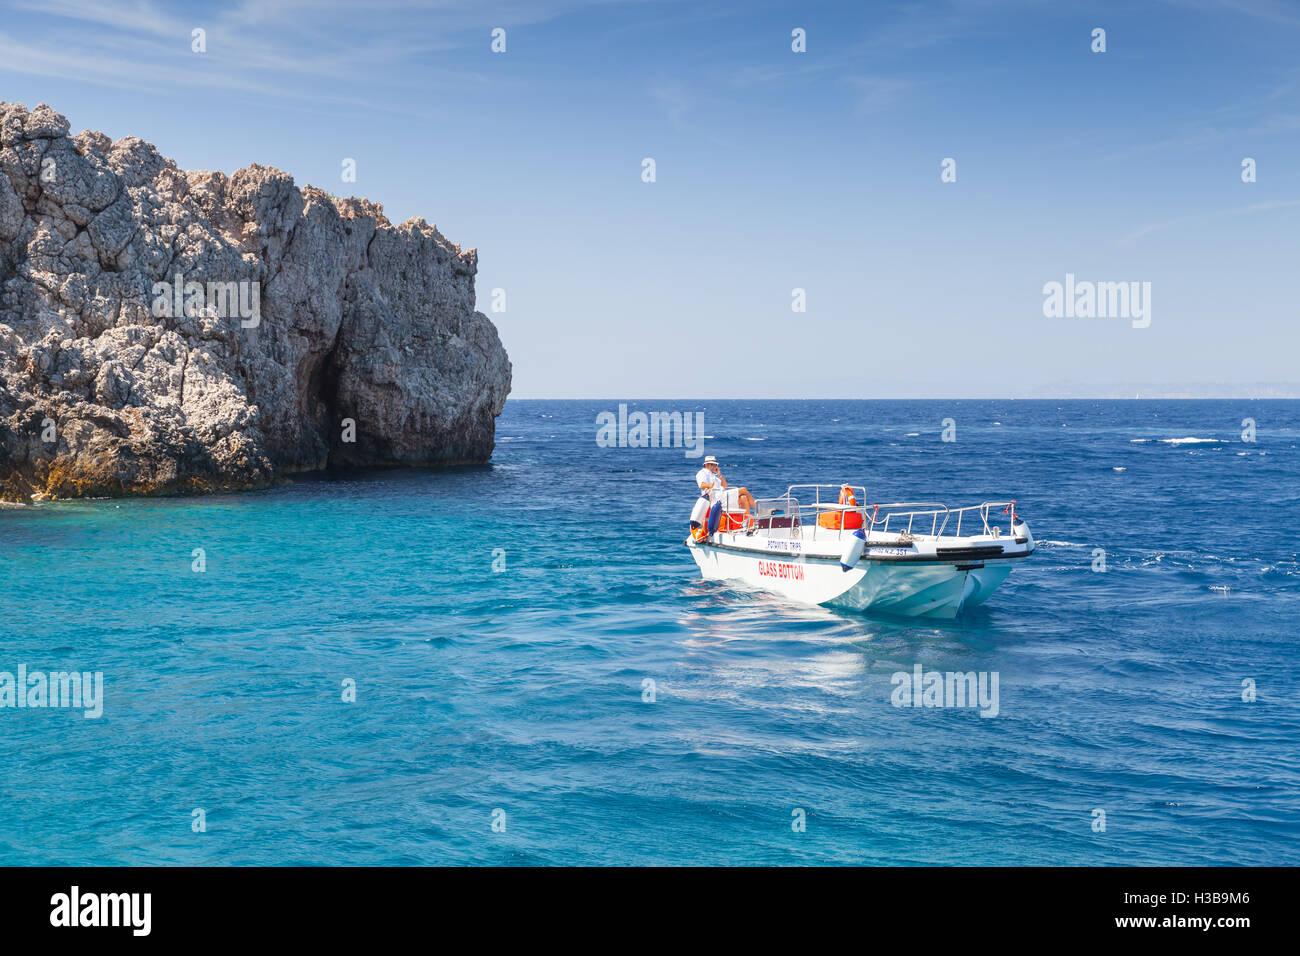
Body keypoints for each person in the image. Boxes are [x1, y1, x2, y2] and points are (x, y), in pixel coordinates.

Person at [691, 456, 755, 536]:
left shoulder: (714, 476)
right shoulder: (702, 473)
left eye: (715, 465)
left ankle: (746, 525)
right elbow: (701, 484)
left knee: (743, 498)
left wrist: (719, 474)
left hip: (722, 496)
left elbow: (725, 485)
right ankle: (756, 507)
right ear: (706, 465)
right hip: (715, 498)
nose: (714, 466)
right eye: (712, 464)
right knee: (743, 490)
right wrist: (711, 485)